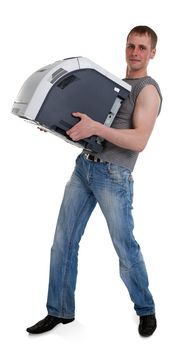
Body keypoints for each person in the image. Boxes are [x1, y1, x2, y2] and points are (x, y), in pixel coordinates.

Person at [26, 25, 162, 337]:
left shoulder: (148, 90)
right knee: (63, 242)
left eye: (142, 47)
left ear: (152, 53)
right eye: (131, 46)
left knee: (125, 248)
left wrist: (96, 129)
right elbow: (90, 126)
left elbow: (139, 140)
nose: (135, 52)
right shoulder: (115, 85)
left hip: (114, 177)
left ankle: (146, 309)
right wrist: (53, 121)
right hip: (84, 168)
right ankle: (59, 311)